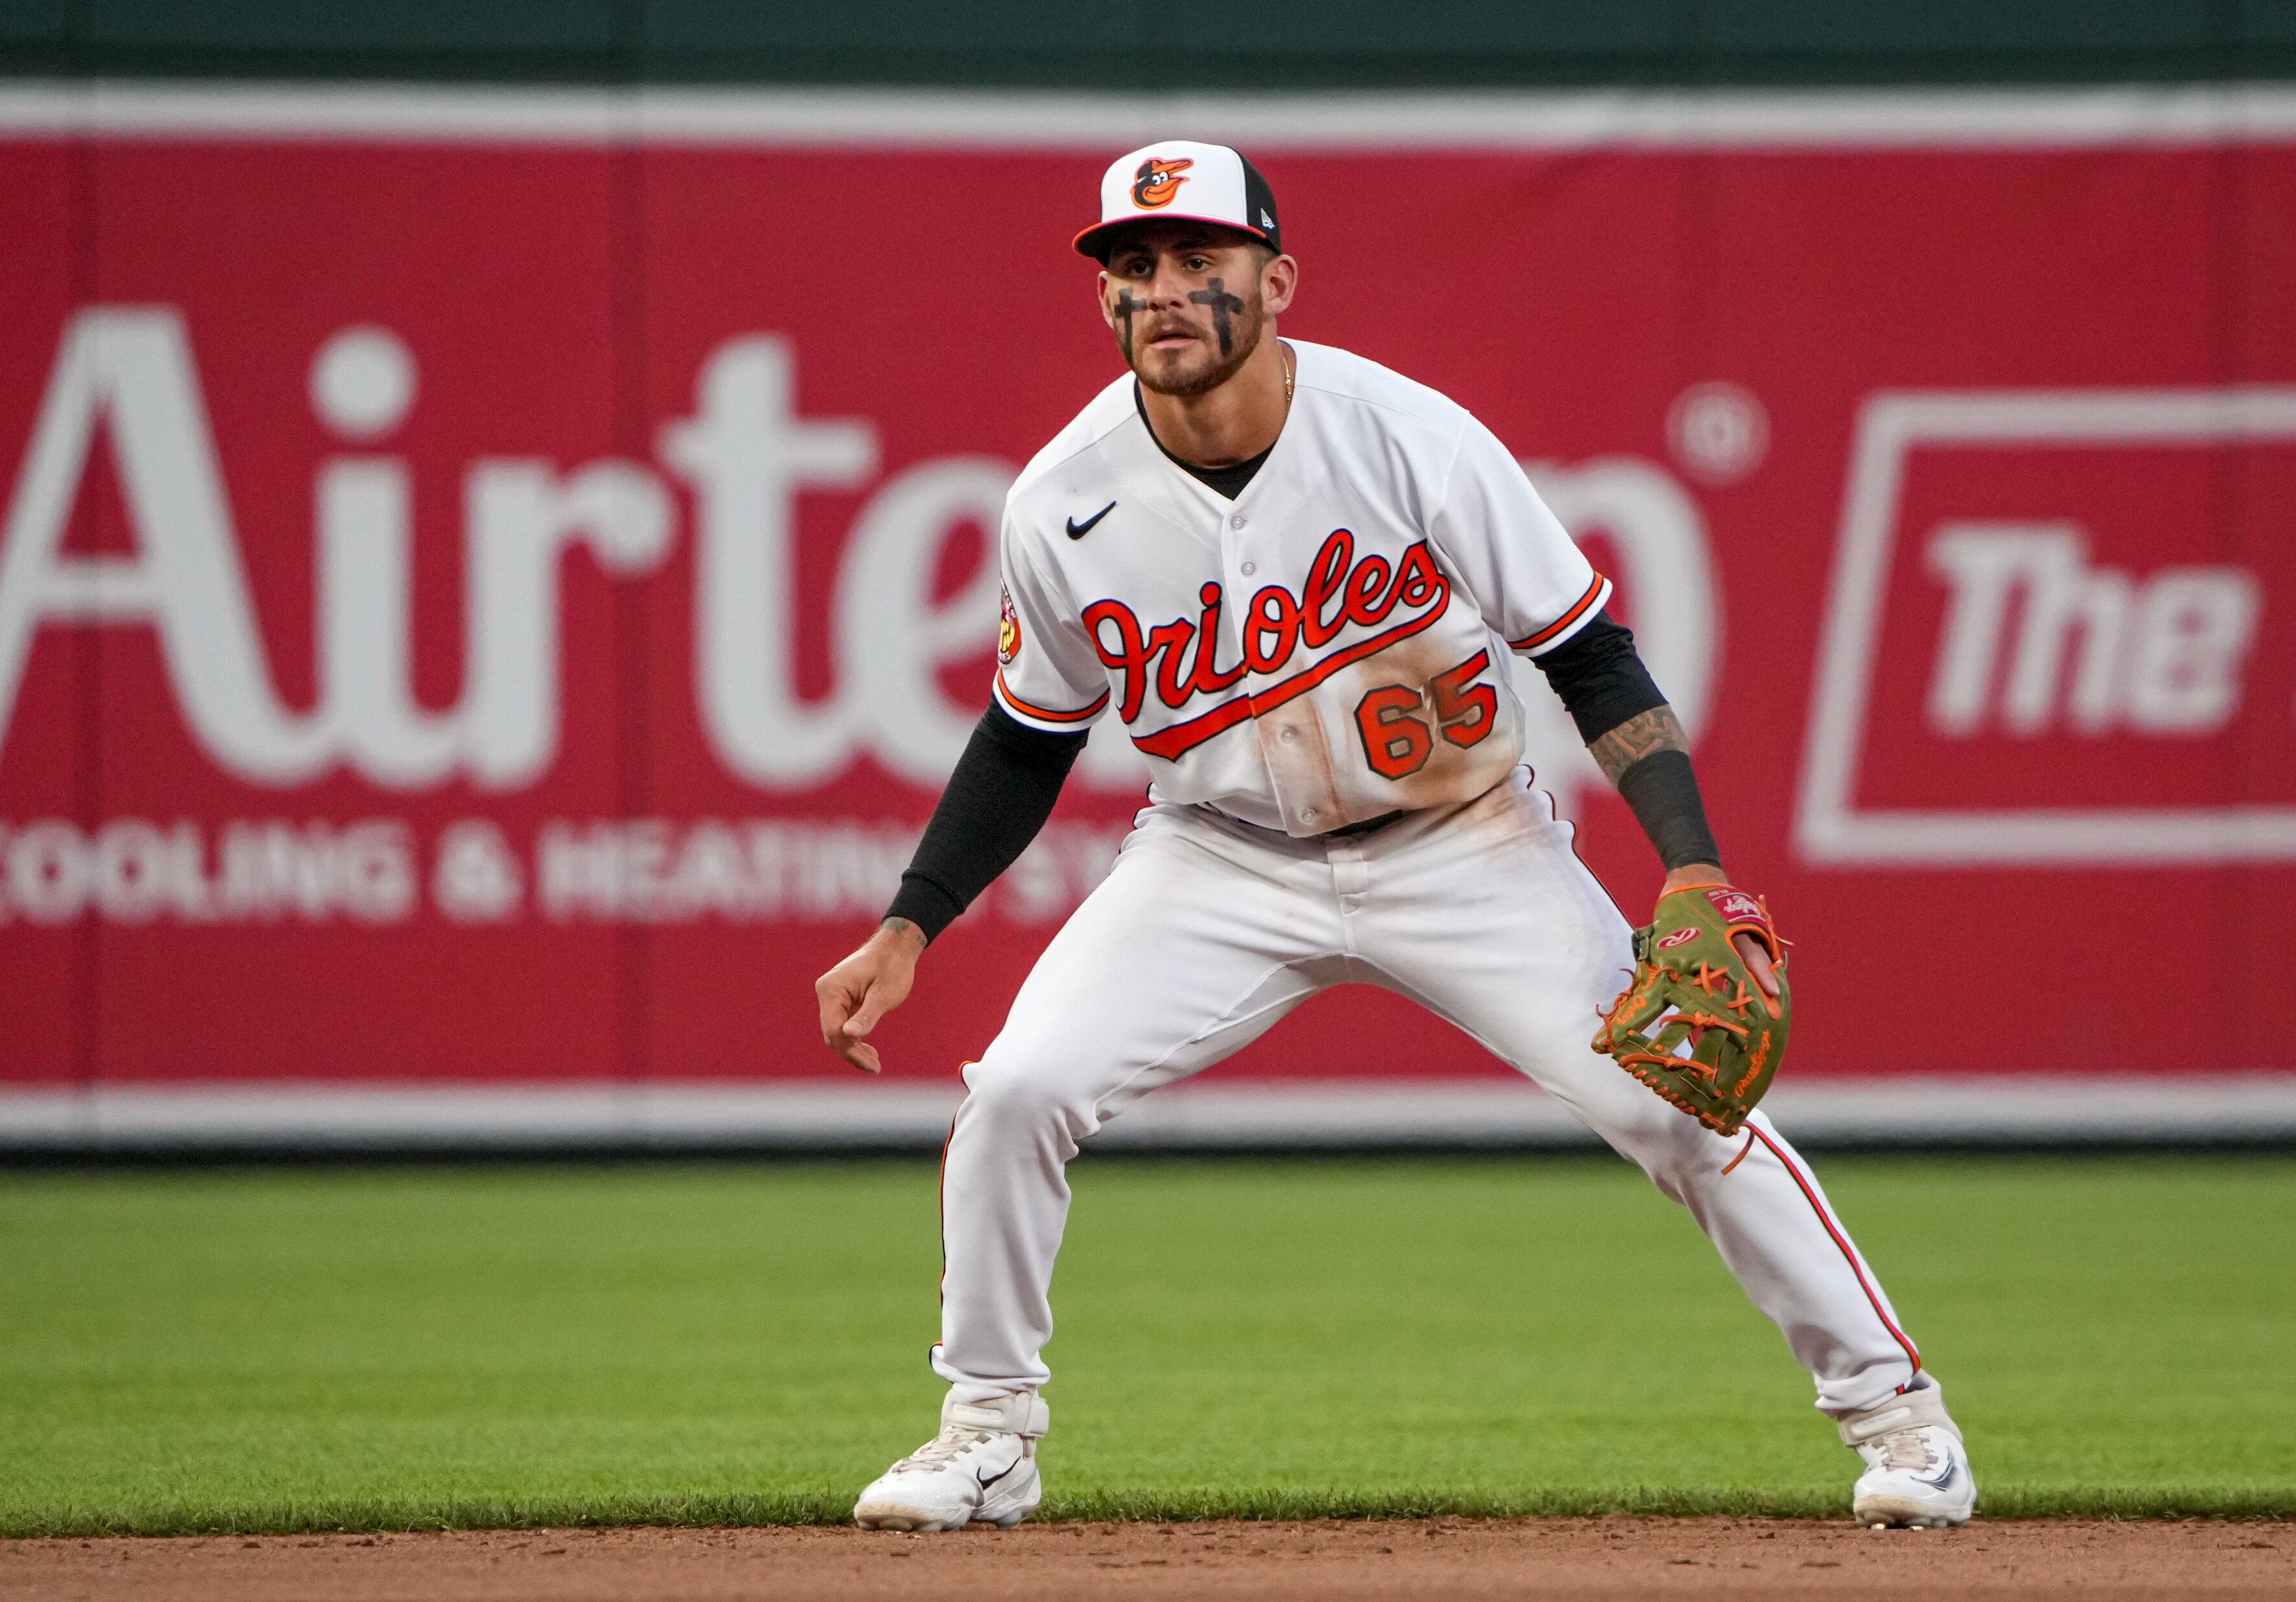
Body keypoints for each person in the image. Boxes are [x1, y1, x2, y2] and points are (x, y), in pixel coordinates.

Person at [815, 140, 1975, 1534]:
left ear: (1279, 279)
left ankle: (1904, 1424)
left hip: (1464, 844)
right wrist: (911, 920)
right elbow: (1026, 735)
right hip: (1216, 859)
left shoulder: (1408, 436)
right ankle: (987, 1433)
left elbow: (1591, 660)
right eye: (1133, 268)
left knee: (1673, 1103)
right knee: (1014, 1093)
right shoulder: (1060, 500)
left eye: (1200, 260)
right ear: (1106, 300)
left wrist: (1692, 862)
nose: (1164, 291)